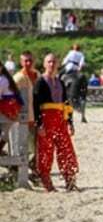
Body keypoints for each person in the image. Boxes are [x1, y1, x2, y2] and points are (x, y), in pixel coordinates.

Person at [33, 53, 79, 192]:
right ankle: (46, 180)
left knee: (66, 149)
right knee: (46, 151)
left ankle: (69, 179)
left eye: (54, 62)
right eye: (49, 62)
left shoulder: (60, 82)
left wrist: (70, 122)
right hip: (46, 119)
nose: (52, 64)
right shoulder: (40, 82)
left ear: (58, 64)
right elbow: (35, 104)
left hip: (60, 120)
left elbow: (66, 103)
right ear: (44, 64)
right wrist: (39, 124)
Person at [13, 52, 39, 178]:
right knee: (23, 146)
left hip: (37, 116)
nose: (28, 63)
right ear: (21, 62)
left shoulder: (37, 75)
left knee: (38, 146)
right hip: (23, 117)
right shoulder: (18, 78)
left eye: (30, 60)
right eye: (25, 61)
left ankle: (34, 169)